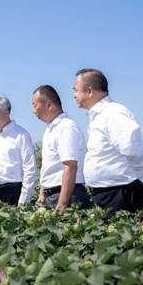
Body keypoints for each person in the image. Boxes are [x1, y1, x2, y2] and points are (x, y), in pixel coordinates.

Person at [73, 68, 143, 218]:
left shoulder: (114, 113)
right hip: (107, 194)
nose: (74, 95)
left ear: (89, 91)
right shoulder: (97, 117)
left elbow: (134, 153)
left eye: (76, 90)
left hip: (121, 194)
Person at [32, 85, 90, 213]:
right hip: (52, 195)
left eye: (35, 105)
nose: (33, 111)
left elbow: (70, 167)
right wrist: (42, 193)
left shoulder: (66, 127)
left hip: (67, 196)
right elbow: (50, 165)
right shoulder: (50, 130)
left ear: (48, 104)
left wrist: (62, 204)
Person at [0, 95, 36, 206]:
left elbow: (29, 169)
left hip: (11, 193)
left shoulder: (21, 135)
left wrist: (23, 199)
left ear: (6, 113)